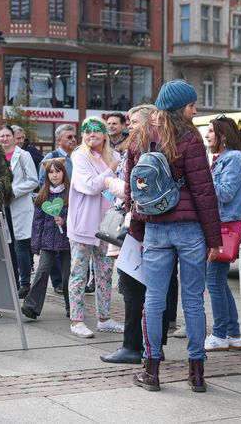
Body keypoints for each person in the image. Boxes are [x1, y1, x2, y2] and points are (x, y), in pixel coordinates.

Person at [126, 80, 221, 393]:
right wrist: (213, 238)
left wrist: (138, 226)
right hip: (190, 228)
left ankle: (151, 371)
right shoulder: (189, 137)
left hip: (155, 226)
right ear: (180, 107)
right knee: (193, 300)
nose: (195, 110)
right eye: (192, 105)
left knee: (153, 300)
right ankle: (196, 373)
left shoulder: (141, 137)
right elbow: (204, 191)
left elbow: (133, 188)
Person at [100, 104, 172, 364]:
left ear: (150, 121)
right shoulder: (157, 145)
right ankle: (153, 345)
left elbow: (139, 190)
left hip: (139, 228)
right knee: (154, 291)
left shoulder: (144, 148)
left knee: (134, 290)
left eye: (134, 122)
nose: (129, 126)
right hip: (149, 227)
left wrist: (111, 184)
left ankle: (134, 346)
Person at [67, 116, 124, 337]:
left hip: (107, 224)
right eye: (88, 131)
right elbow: (90, 186)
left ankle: (104, 318)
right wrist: (110, 169)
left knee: (105, 273)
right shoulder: (80, 156)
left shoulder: (115, 156)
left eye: (97, 130)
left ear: (104, 134)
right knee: (79, 274)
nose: (92, 134)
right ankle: (77, 320)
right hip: (83, 224)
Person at [204, 115, 241, 352]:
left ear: (222, 135)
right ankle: (233, 334)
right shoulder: (225, 158)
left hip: (225, 225)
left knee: (213, 281)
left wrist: (203, 176)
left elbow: (225, 193)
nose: (207, 135)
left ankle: (220, 334)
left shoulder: (233, 159)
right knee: (219, 282)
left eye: (211, 131)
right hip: (224, 224)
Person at [21, 158, 71, 319]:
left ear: (64, 172)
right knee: (42, 271)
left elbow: (77, 216)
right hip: (48, 240)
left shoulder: (71, 194)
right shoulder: (43, 195)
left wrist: (65, 221)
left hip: (68, 241)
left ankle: (73, 306)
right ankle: (31, 305)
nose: (55, 175)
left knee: (68, 275)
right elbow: (37, 222)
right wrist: (35, 245)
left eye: (58, 171)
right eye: (51, 172)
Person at [0, 124, 39, 298]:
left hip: (19, 205)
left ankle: (24, 283)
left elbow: (33, 181)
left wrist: (13, 192)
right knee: (8, 246)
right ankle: (12, 282)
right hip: (2, 206)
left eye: (8, 136)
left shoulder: (23, 155)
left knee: (21, 244)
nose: (5, 139)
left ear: (14, 138)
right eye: (1, 136)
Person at [38, 124, 78, 294]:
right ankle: (57, 282)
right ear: (59, 140)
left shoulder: (77, 157)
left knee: (68, 251)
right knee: (52, 248)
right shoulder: (51, 157)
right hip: (54, 206)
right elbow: (42, 182)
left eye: (75, 136)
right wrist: (52, 204)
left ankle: (67, 285)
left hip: (74, 206)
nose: (74, 140)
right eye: (69, 137)